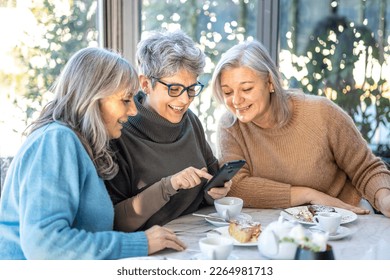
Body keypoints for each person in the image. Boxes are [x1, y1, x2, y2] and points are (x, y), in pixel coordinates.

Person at [0, 47, 186, 260]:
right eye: (125, 100)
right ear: (92, 98)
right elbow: (45, 245)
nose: (133, 111)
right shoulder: (55, 140)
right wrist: (141, 243)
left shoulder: (80, 145)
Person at [211, 40, 390, 217]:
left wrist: (384, 199)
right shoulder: (230, 126)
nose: (236, 101)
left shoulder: (322, 113)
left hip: (343, 218)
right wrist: (308, 194)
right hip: (273, 225)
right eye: (227, 92)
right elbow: (235, 185)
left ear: (270, 83)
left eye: (246, 89)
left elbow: (365, 168)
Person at [105, 30, 231, 232]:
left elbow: (207, 185)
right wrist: (169, 185)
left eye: (191, 89)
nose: (184, 100)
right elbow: (116, 221)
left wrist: (215, 191)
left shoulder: (190, 120)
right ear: (146, 84)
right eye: (174, 89)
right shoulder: (118, 132)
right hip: (150, 247)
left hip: (198, 234)